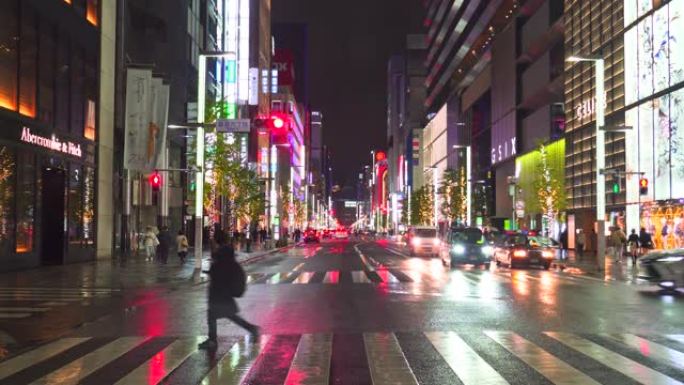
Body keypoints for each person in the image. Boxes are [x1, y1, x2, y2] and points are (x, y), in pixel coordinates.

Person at [198, 239, 259, 350]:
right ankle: (251, 328)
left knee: (213, 316)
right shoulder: (231, 264)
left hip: (219, 297)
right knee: (230, 316)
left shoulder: (221, 264)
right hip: (225, 297)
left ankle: (212, 340)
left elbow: (216, 274)